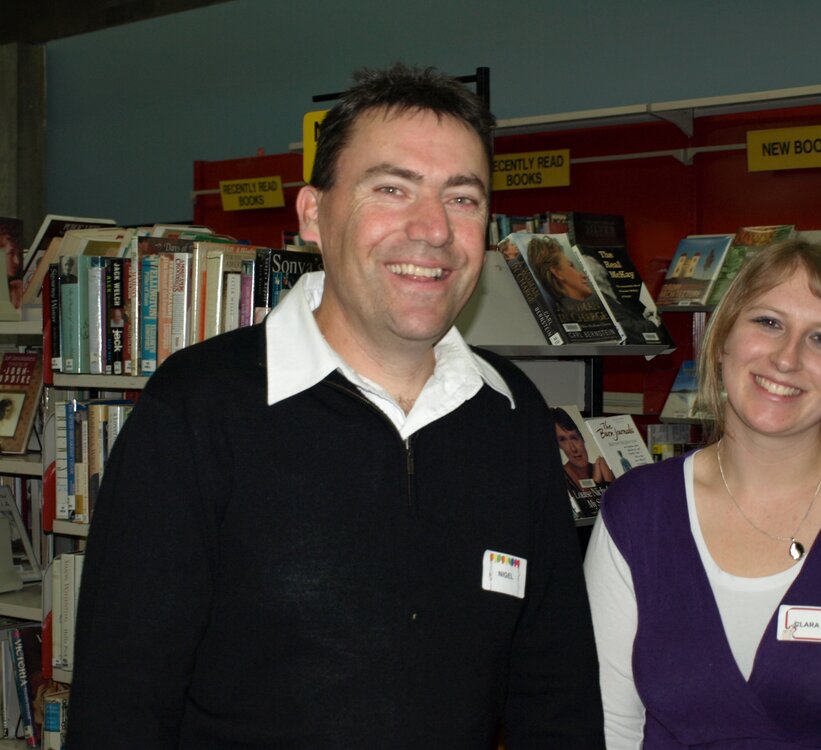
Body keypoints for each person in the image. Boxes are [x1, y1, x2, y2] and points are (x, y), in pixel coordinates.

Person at [67, 64, 604, 749]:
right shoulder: (199, 410)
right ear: (313, 216)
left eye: (462, 198)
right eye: (392, 189)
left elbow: (555, 693)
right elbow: (119, 712)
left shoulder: (513, 415)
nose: (433, 229)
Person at [584, 239, 821, 748]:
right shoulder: (635, 512)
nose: (787, 358)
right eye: (768, 323)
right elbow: (610, 727)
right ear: (720, 341)